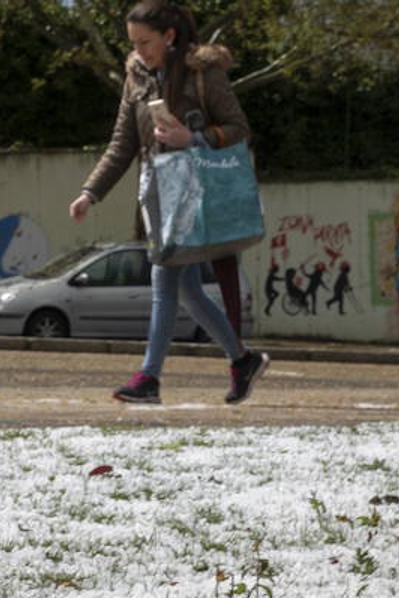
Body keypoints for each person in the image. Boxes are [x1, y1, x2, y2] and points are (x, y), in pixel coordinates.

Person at [68, 0, 268, 405]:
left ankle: (149, 378)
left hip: (195, 195)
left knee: (163, 283)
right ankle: (242, 360)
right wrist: (90, 192)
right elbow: (122, 143)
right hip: (157, 193)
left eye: (146, 42)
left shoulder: (202, 72)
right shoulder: (136, 78)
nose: (139, 51)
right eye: (134, 43)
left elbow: (238, 127)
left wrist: (191, 139)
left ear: (169, 36)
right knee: (189, 291)